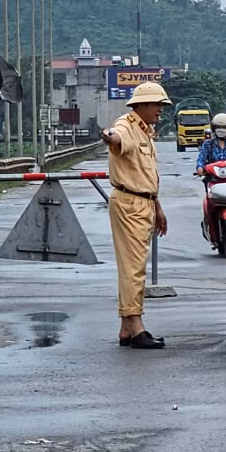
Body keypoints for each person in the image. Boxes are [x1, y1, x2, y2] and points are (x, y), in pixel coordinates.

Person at [100, 81, 171, 350]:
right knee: (133, 268)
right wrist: (108, 136)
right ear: (140, 105)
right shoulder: (127, 125)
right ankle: (137, 325)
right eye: (156, 105)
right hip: (130, 203)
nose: (160, 111)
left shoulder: (145, 132)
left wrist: (158, 207)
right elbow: (115, 137)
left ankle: (127, 327)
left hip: (143, 202)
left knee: (132, 266)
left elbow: (146, 176)